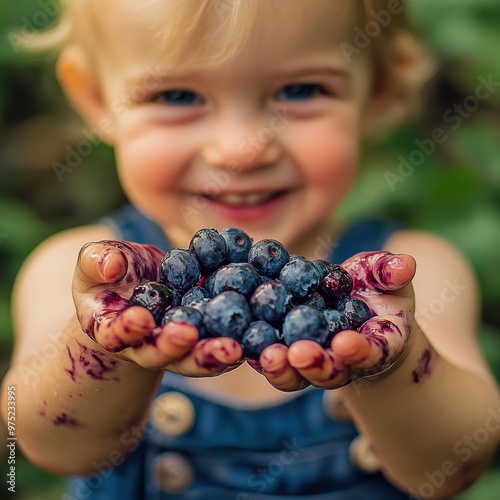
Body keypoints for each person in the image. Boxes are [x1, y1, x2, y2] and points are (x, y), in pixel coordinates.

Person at [2, 1, 499, 498]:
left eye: (300, 90)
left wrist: (392, 365)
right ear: (95, 99)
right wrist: (103, 349)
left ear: (380, 94)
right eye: (176, 95)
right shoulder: (80, 273)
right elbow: (53, 447)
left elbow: (452, 467)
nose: (241, 149)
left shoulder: (411, 278)